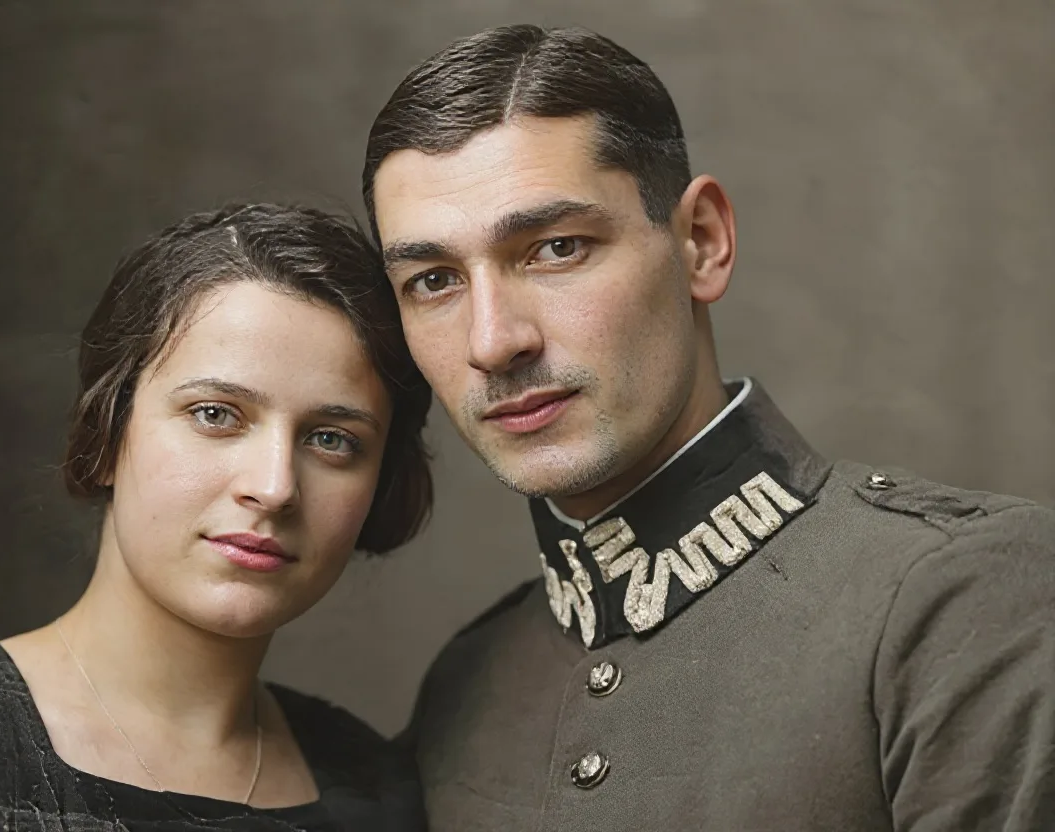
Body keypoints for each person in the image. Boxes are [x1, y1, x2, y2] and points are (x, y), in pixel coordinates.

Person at [364, 23, 1055, 832]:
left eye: (556, 248)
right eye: (434, 280)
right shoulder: (464, 687)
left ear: (701, 242)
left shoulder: (955, 598)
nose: (492, 342)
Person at [0, 203, 432, 831]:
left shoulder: (378, 790)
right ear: (105, 434)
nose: (273, 488)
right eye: (215, 414)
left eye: (331, 439)